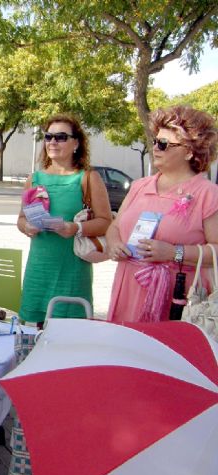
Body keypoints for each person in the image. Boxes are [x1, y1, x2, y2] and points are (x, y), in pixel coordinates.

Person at [107, 105, 218, 323]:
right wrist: (114, 245)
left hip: (177, 299)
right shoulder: (140, 186)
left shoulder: (207, 194)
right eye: (155, 142)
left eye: (163, 144)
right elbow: (115, 227)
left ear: (188, 151)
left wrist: (174, 253)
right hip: (128, 288)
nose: (155, 148)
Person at [17, 114, 112, 325]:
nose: (52, 142)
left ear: (76, 143)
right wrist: (27, 227)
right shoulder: (34, 179)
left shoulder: (88, 178)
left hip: (72, 271)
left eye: (60, 137)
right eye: (48, 136)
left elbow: (106, 221)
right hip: (38, 270)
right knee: (33, 335)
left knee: (68, 335)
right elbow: (21, 219)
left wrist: (75, 227)